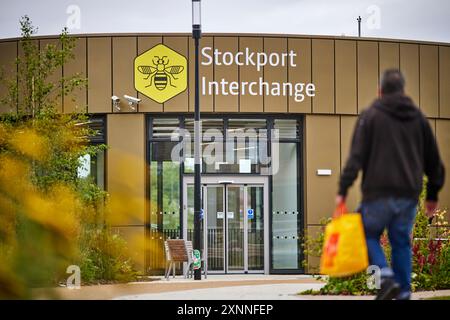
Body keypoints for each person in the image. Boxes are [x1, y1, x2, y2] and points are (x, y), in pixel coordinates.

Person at [337, 69, 445, 300]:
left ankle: (384, 276)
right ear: (403, 90)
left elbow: (356, 157)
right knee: (401, 244)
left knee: (365, 233)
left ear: (380, 91)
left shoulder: (370, 116)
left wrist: (343, 190)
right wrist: (432, 195)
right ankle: (403, 293)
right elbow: (434, 162)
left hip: (377, 194)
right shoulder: (419, 119)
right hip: (407, 195)